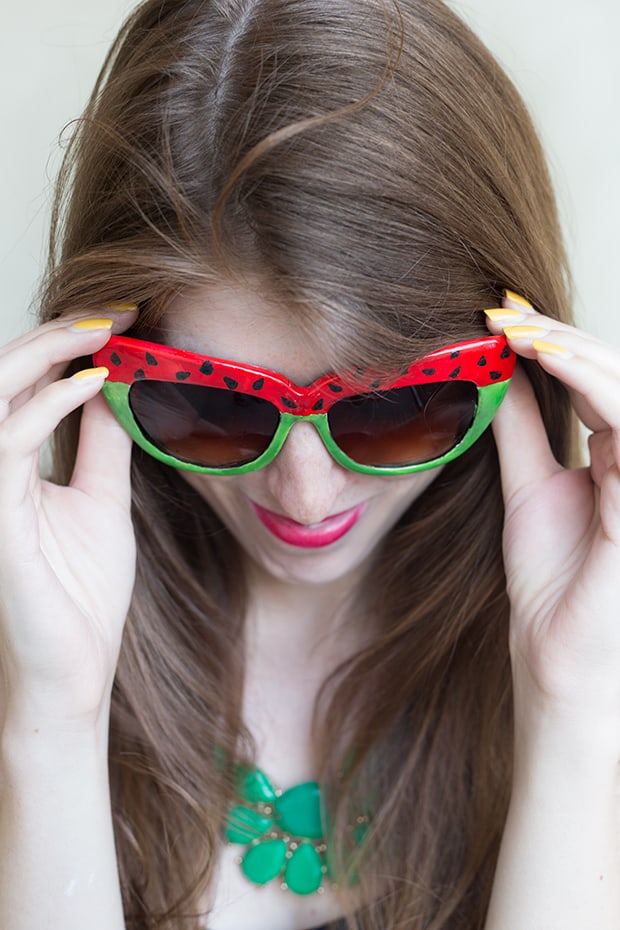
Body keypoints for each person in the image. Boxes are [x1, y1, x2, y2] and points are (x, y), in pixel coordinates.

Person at [1, 0, 619, 928]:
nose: (306, 490)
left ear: (517, 377)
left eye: (392, 409)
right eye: (211, 405)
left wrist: (573, 707)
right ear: (93, 374)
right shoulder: (27, 637)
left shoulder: (600, 656)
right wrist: (52, 714)